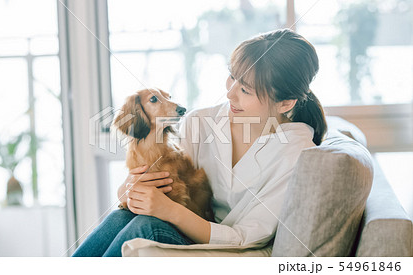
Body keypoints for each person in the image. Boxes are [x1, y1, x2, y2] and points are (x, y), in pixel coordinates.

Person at [72, 28, 327, 257]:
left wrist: (168, 212)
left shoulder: (296, 154)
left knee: (145, 226)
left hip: (233, 248)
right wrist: (128, 191)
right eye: (232, 77)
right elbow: (174, 180)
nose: (229, 93)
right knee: (123, 215)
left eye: (245, 90)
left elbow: (245, 237)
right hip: (185, 224)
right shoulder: (201, 121)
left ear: (285, 103)